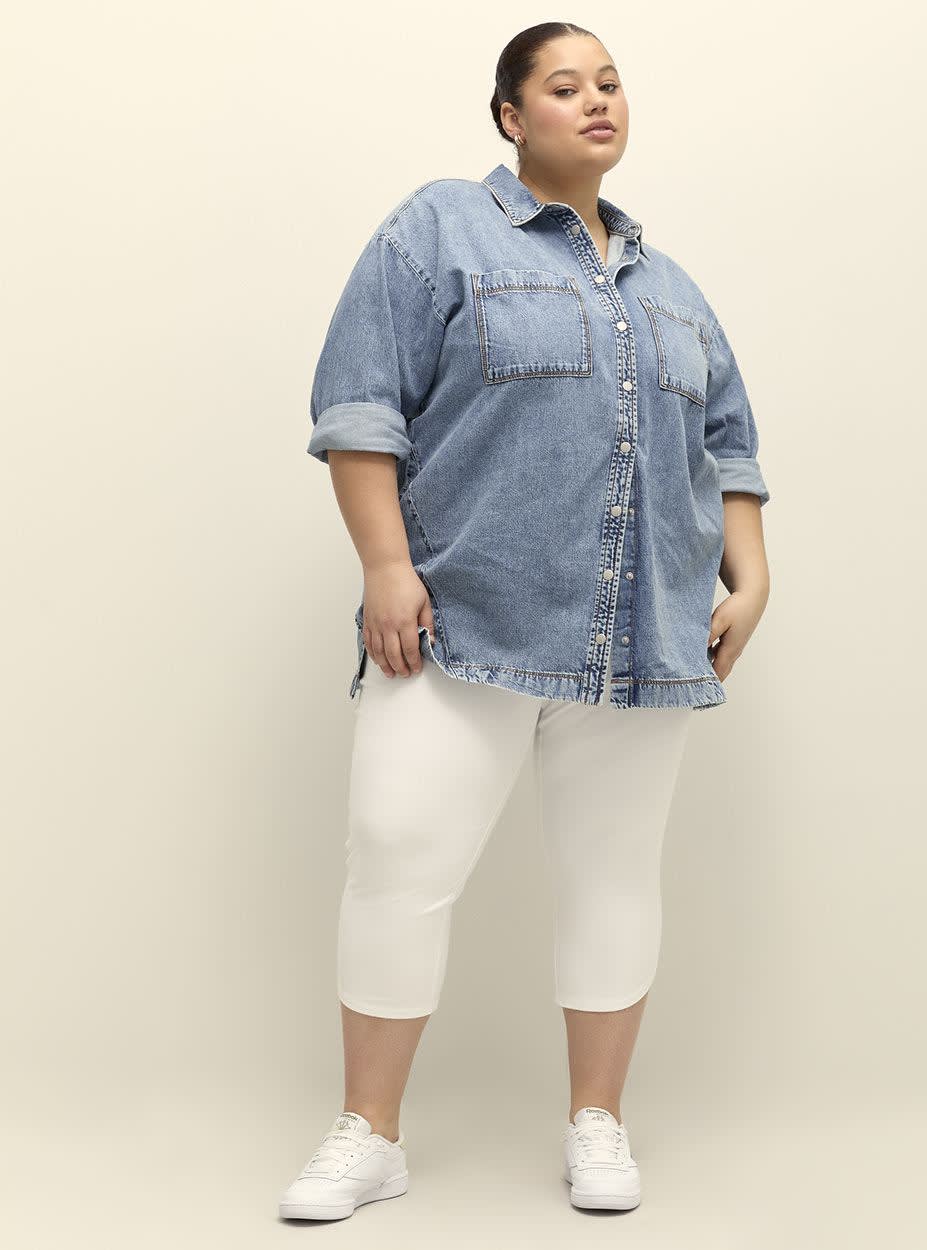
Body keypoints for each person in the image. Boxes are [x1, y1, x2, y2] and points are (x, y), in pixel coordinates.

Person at [279, 20, 771, 1221]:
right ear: (510, 115)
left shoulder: (672, 287)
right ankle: (369, 1132)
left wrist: (750, 576)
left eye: (609, 83)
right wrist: (385, 563)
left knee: (613, 877)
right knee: (397, 859)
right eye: (562, 86)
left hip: (642, 638)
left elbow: (729, 444)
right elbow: (360, 406)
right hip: (463, 623)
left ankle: (597, 1120)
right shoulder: (438, 228)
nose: (596, 100)